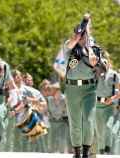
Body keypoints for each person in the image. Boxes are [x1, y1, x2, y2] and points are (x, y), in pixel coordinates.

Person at [63, 13, 102, 158]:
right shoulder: (70, 46)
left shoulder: (93, 48)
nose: (81, 38)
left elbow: (97, 65)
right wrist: (78, 35)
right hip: (72, 88)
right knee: (75, 122)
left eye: (84, 35)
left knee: (89, 119)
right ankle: (77, 152)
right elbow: (70, 44)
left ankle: (86, 152)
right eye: (78, 35)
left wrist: (91, 52)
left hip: (89, 89)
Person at [94, 52, 120, 154]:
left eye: (105, 59)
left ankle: (108, 147)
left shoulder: (114, 75)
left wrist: (113, 99)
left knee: (108, 126)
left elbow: (119, 90)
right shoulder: (95, 73)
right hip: (97, 104)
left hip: (109, 104)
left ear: (109, 61)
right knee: (99, 129)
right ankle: (101, 149)